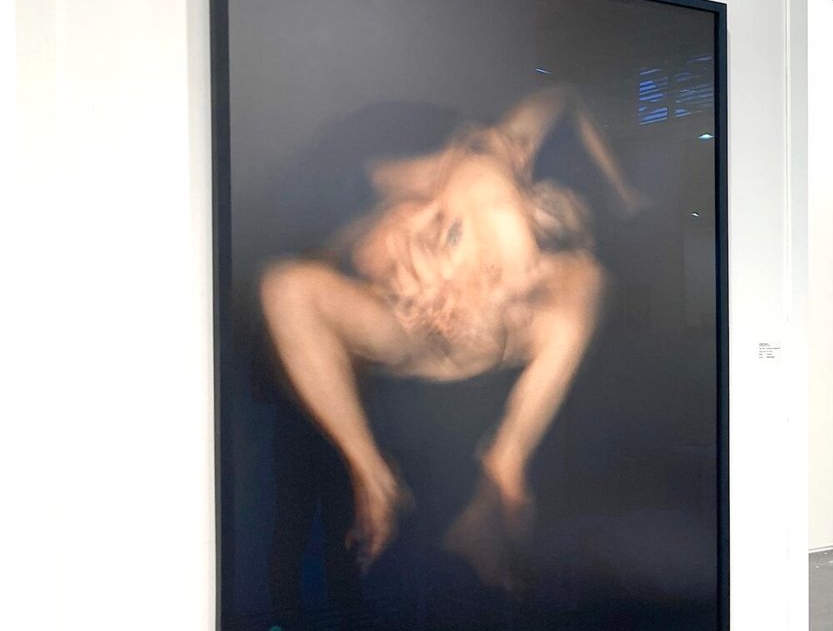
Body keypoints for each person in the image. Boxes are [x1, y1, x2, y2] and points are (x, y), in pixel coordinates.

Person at [259, 87, 639, 591]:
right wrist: (400, 259)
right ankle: (373, 473)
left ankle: (504, 459)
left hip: (494, 333)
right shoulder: (464, 169)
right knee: (286, 287)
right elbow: (340, 247)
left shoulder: (523, 217)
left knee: (586, 279)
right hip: (413, 331)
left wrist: (619, 193)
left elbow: (563, 99)